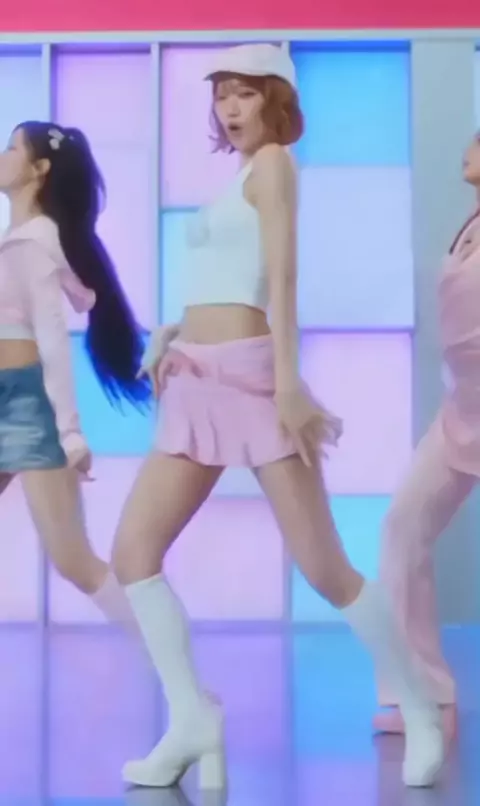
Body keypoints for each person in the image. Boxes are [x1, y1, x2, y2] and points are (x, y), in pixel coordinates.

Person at [111, 43, 444, 791]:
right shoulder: (235, 179)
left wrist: (289, 383)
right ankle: (192, 718)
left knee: (324, 567)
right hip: (195, 380)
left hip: (253, 380)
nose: (229, 108)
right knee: (133, 553)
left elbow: (283, 278)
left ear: (275, 99)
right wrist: (172, 331)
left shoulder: (273, 166)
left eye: (245, 93)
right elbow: (225, 278)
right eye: (221, 94)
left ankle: (419, 704)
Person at [0, 120, 149, 624]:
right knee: (74, 561)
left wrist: (68, 432)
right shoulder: (16, 238)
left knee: (74, 561)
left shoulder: (35, 242)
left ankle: (165, 656)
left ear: (38, 169)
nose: (1, 155)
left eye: (11, 148)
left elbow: (51, 341)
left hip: (27, 408)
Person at [373, 133, 480, 736]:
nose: (470, 147)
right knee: (403, 525)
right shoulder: (470, 224)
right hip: (464, 407)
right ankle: (423, 695)